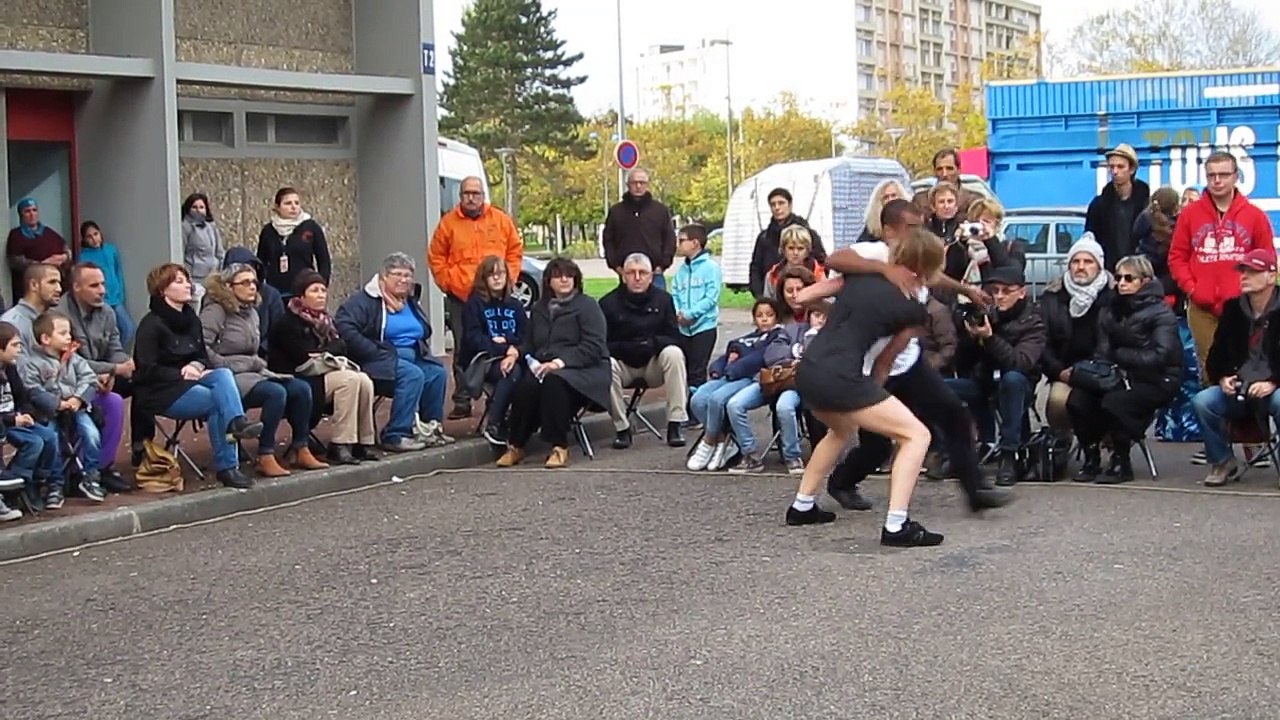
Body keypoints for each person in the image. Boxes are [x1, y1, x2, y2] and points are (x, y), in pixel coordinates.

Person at [807, 208, 1010, 514]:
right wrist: (884, 269)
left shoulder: (916, 254)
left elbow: (930, 274)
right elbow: (835, 260)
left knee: (953, 413)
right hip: (874, 367)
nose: (919, 232)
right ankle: (842, 482)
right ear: (889, 230)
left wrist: (965, 289)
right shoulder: (876, 251)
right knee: (877, 445)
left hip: (908, 362)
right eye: (911, 227)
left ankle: (976, 490)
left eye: (921, 226)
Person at [790, 228, 948, 545]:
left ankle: (802, 507)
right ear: (929, 267)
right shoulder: (913, 308)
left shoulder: (859, 276)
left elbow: (804, 297)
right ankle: (897, 526)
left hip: (809, 368)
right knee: (916, 435)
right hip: (842, 376)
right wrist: (872, 394)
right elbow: (885, 362)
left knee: (841, 429)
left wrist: (845, 313)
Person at [132, 263, 263, 489]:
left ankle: (237, 422)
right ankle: (228, 466)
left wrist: (195, 365)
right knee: (217, 401)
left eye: (187, 280)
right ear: (162, 290)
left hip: (192, 379)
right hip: (162, 390)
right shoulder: (150, 325)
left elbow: (203, 355)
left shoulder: (191, 318)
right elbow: (145, 369)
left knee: (222, 374)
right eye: (179, 281)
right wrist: (181, 373)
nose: (188, 285)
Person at [202, 264, 327, 477]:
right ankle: (265, 454)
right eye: (245, 282)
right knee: (275, 392)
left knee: (300, 388)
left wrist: (257, 364)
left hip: (253, 370)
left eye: (254, 282)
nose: (252, 287)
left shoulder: (251, 312)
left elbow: (254, 350)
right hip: (227, 375)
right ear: (229, 286)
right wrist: (228, 365)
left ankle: (300, 447)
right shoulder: (215, 311)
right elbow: (202, 347)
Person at [1068, 255, 1181, 483]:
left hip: (1157, 379)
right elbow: (1102, 350)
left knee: (1115, 402)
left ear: (1145, 281)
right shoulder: (1111, 309)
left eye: (1129, 278)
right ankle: (1091, 457)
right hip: (1119, 375)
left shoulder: (1161, 313)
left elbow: (1162, 355)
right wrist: (1105, 367)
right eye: (1118, 277)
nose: (1121, 283)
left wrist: (1121, 356)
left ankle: (1121, 461)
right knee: (1077, 399)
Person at [1169, 151, 1275, 384]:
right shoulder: (1189, 215)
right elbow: (1177, 257)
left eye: (1224, 175)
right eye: (1211, 175)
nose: (1217, 181)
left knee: (1247, 367)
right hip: (1202, 306)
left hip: (1243, 307)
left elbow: (1267, 259)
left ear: (1236, 176)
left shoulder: (1255, 216)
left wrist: (1255, 293)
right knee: (1210, 372)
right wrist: (1192, 288)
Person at [496, 258, 610, 469]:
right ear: (548, 281)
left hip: (584, 371)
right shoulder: (539, 309)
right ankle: (516, 445)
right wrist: (515, 353)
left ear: (576, 280)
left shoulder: (588, 306)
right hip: (545, 368)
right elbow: (530, 343)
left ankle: (559, 446)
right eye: (558, 276)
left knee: (553, 383)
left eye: (569, 276)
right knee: (526, 386)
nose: (564, 280)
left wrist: (559, 363)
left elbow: (594, 346)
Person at [335, 252, 453, 452]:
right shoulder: (365, 300)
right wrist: (372, 351)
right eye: (398, 274)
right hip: (378, 360)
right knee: (413, 375)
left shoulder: (409, 300)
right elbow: (344, 327)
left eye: (407, 275)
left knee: (437, 373)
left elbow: (423, 330)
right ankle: (396, 434)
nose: (404, 280)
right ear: (384, 276)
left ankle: (430, 429)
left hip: (413, 355)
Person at [428, 175, 523, 421]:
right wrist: (450, 283)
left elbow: (514, 251)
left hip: (497, 297)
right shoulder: (448, 224)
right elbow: (436, 258)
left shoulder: (500, 220)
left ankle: (500, 396)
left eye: (475, 193)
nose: (471, 198)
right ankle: (462, 399)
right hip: (462, 297)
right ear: (460, 196)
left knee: (503, 340)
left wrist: (508, 280)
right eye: (466, 193)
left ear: (483, 195)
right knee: (464, 347)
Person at [946, 266, 1045, 484]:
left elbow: (1020, 363)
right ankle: (950, 451)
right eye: (994, 291)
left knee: (1012, 380)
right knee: (939, 387)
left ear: (1022, 292)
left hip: (1019, 386)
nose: (999, 296)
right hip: (984, 381)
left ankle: (1009, 455)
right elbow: (962, 362)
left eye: (1006, 291)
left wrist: (990, 338)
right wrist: (969, 336)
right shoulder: (986, 314)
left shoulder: (1033, 321)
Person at [269, 271, 380, 466]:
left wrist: (325, 352)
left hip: (324, 373)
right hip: (300, 377)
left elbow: (341, 347)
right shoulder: (287, 322)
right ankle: (340, 444)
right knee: (350, 380)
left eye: (323, 290)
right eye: (314, 290)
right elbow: (303, 357)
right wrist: (331, 351)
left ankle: (362, 442)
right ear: (301, 296)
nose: (321, 295)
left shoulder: (326, 321)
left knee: (364, 380)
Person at [1192, 250, 1280, 485]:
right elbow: (1216, 356)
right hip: (1240, 385)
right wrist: (1223, 377)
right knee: (1202, 402)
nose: (1245, 276)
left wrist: (1273, 382)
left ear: (1271, 276)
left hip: (1273, 385)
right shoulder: (1233, 309)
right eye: (1243, 271)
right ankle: (1222, 461)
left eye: (1253, 271)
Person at [19, 310, 115, 504]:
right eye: (63, 333)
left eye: (69, 332)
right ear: (45, 339)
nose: (69, 337)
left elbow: (89, 379)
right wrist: (57, 403)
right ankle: (55, 483)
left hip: (76, 407)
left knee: (91, 433)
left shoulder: (74, 358)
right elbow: (33, 390)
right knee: (52, 438)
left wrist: (78, 398)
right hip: (49, 412)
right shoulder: (32, 363)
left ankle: (91, 476)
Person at [60, 262, 135, 492]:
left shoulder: (107, 312)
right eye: (94, 286)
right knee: (110, 400)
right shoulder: (60, 315)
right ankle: (75, 470)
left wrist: (117, 367)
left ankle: (108, 465)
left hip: (100, 377)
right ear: (76, 287)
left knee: (140, 384)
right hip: (67, 383)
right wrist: (112, 369)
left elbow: (115, 348)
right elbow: (70, 360)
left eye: (103, 284)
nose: (102, 290)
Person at [600, 252, 688, 449]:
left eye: (643, 273)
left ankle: (675, 423)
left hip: (653, 362)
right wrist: (628, 347)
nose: (637, 278)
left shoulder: (664, 300)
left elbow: (674, 337)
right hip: (622, 364)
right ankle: (622, 428)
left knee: (674, 354)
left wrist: (651, 344)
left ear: (651, 276)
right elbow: (602, 344)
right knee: (605, 364)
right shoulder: (607, 303)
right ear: (623, 276)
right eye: (631, 273)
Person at [731, 300, 830, 474]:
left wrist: (810, 340)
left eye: (825, 317)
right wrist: (795, 355)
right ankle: (750, 454)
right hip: (773, 380)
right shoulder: (792, 330)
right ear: (809, 316)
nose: (820, 320)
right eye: (816, 315)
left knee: (784, 407)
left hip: (798, 385)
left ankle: (792, 456)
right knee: (735, 405)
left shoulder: (831, 337)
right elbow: (772, 354)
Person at [686, 299, 785, 472]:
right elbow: (727, 355)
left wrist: (734, 366)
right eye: (759, 315)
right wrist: (716, 369)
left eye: (769, 315)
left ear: (777, 317)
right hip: (728, 375)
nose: (764, 319)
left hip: (746, 377)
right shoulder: (745, 339)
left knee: (717, 399)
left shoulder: (776, 337)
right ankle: (723, 439)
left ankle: (709, 441)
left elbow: (759, 358)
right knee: (698, 399)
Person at [1137, 187, 1202, 443]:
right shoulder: (1179, 234)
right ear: (1176, 206)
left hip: (1159, 309)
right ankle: (1189, 426)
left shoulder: (1143, 230)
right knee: (1188, 370)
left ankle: (1168, 426)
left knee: (1168, 370)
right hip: (1178, 309)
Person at [1038, 235, 1114, 445]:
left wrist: (1097, 371)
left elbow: (1116, 340)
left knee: (1115, 404)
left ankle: (1108, 448)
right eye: (1076, 261)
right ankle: (1062, 444)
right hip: (1065, 372)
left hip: (1103, 373)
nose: (1081, 267)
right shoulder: (1052, 297)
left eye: (1088, 261)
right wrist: (1057, 371)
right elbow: (1041, 340)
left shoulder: (1113, 297)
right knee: (1057, 402)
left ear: (1099, 265)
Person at [458, 256, 527, 446]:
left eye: (501, 273)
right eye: (491, 274)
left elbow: (526, 336)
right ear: (483, 278)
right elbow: (474, 339)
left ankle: (523, 423)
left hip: (512, 356)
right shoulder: (474, 304)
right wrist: (506, 349)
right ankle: (494, 424)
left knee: (529, 373)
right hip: (483, 360)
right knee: (512, 372)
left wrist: (513, 349)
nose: (497, 278)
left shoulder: (516, 305)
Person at [0, 321, 60, 514]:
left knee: (50, 436)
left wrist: (26, 412)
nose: (19, 350)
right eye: (14, 345)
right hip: (4, 424)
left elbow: (22, 397)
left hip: (16, 418)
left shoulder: (10, 368)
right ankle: (16, 486)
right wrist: (13, 420)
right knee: (34, 443)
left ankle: (35, 480)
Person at [602, 168, 677, 290]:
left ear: (647, 185)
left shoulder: (660, 211)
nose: (638, 186)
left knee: (659, 301)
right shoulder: (616, 212)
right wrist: (615, 265)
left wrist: (663, 264)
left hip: (655, 273)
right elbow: (608, 240)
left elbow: (669, 238)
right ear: (628, 185)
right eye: (634, 183)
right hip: (626, 273)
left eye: (642, 183)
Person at [748, 187, 827, 298]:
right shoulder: (764, 238)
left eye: (781, 203)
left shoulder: (808, 234)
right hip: (772, 293)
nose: (777, 207)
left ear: (790, 205)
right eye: (773, 204)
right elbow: (756, 267)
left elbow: (822, 262)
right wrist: (760, 295)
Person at [670, 223, 721, 393]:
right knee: (684, 370)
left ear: (695, 243)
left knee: (697, 372)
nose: (678, 244)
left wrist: (691, 314)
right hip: (684, 329)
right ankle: (686, 401)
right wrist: (678, 313)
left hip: (704, 327)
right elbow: (675, 293)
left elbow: (711, 297)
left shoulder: (711, 268)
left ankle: (696, 404)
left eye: (682, 240)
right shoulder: (681, 271)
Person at [1085, 144, 1151, 272]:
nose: (1115, 172)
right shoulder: (1099, 205)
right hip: (1109, 270)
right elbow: (1091, 238)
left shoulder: (1146, 203)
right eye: (1112, 167)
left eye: (1120, 167)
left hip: (1138, 271)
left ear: (1132, 169)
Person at [256, 186, 331, 297]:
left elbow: (324, 260)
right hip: (276, 292)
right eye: (288, 203)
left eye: (296, 203)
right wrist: (260, 288)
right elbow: (261, 261)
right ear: (277, 207)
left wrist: (320, 286)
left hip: (304, 291)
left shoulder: (310, 227)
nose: (293, 207)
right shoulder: (268, 231)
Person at [76, 221, 133, 346]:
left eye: (95, 234)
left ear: (100, 233)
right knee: (106, 332)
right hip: (101, 300)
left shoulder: (111, 250)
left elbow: (118, 272)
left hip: (116, 298)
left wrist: (120, 294)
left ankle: (117, 353)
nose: (94, 239)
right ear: (84, 239)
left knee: (128, 328)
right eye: (89, 237)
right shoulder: (84, 257)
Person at [6, 197, 69, 307]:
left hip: (54, 286)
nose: (32, 214)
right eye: (27, 211)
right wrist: (42, 264)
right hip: (32, 288)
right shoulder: (16, 235)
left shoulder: (49, 232)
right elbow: (15, 261)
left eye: (34, 210)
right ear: (21, 215)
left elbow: (65, 249)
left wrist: (64, 257)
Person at [222, 247, 285, 357]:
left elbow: (279, 332)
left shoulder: (270, 295)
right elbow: (207, 342)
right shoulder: (217, 302)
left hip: (263, 356)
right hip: (229, 358)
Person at [0, 263, 63, 351]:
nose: (59, 289)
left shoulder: (56, 318)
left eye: (59, 283)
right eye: (52, 282)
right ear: (33, 285)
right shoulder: (12, 322)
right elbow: (16, 359)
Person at [181, 192, 225, 307]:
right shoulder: (185, 227)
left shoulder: (211, 227)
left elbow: (219, 251)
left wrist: (219, 270)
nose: (198, 210)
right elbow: (182, 252)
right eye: (194, 207)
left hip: (212, 276)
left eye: (201, 207)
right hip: (195, 278)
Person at [911, 148, 982, 217]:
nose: (944, 174)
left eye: (949, 169)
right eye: (939, 169)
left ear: (959, 170)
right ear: (934, 172)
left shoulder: (974, 200)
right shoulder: (921, 200)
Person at [762, 225, 826, 300]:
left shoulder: (818, 273)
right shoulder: (773, 275)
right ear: (783, 250)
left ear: (807, 251)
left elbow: (828, 301)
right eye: (791, 248)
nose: (795, 253)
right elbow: (768, 303)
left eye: (800, 248)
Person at [857, 179, 910, 244]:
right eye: (886, 197)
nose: (890, 200)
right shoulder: (873, 225)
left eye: (894, 195)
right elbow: (860, 246)